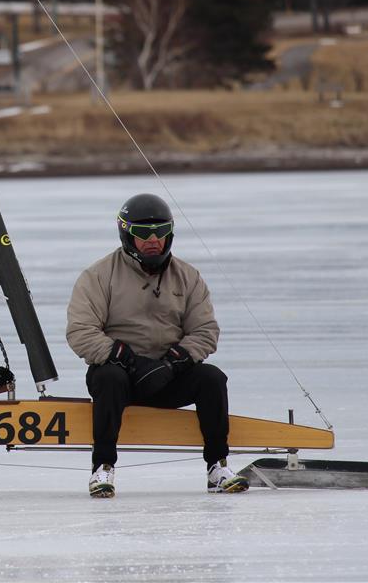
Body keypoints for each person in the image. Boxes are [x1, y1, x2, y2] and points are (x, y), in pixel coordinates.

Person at [66, 193, 248, 498]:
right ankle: (102, 468)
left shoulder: (188, 277)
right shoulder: (97, 276)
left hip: (168, 376)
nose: (153, 240)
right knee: (109, 378)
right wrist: (128, 361)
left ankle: (217, 466)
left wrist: (173, 363)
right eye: (143, 233)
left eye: (160, 232)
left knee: (212, 378)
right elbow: (80, 331)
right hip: (121, 377)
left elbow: (205, 330)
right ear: (126, 234)